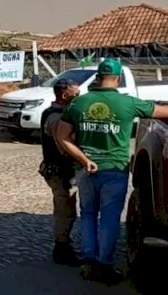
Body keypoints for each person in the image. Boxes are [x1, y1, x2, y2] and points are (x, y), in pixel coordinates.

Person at [56, 59, 168, 285]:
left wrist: (84, 159)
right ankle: (103, 264)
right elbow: (161, 111)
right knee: (109, 218)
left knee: (88, 215)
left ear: (97, 76)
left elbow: (62, 136)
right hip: (115, 170)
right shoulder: (127, 103)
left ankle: (88, 262)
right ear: (117, 79)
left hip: (86, 171)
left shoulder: (79, 104)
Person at [38, 78, 80, 266]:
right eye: (75, 93)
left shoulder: (57, 113)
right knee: (65, 210)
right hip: (61, 171)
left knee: (65, 207)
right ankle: (62, 247)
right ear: (64, 94)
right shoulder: (56, 117)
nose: (78, 96)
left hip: (59, 169)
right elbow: (64, 146)